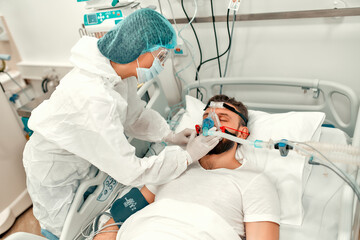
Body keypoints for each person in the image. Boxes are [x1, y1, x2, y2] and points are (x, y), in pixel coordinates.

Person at [22, 9, 219, 239]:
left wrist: (170, 136)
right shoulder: (94, 97)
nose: (162, 64)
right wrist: (185, 157)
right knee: (64, 231)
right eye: (161, 56)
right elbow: (131, 171)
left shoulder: (118, 72)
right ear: (138, 51)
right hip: (55, 170)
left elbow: (134, 117)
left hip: (79, 157)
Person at [93, 94, 281, 240]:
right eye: (207, 117)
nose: (211, 124)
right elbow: (134, 202)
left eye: (222, 119)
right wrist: (108, 229)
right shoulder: (177, 163)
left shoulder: (255, 180)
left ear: (242, 133)